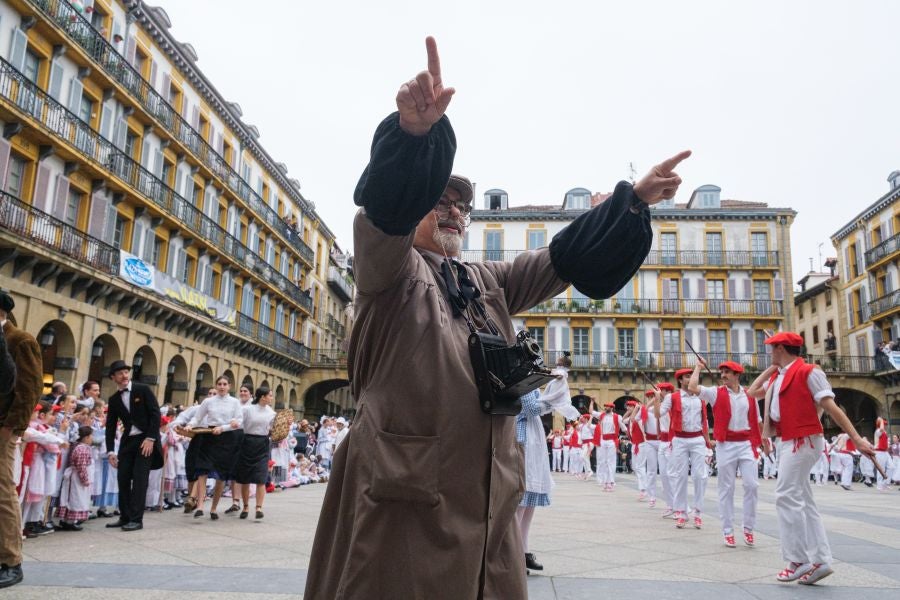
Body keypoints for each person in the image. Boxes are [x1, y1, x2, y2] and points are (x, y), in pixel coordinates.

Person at [303, 36, 688, 600]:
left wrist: (632, 202)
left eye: (462, 205)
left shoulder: (486, 282)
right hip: (405, 497)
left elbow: (559, 260)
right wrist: (414, 137)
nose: (455, 211)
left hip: (487, 498)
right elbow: (382, 217)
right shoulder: (390, 270)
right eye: (441, 201)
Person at [747, 331, 876, 585]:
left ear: (781, 348)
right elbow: (752, 392)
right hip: (788, 440)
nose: (769, 352)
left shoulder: (809, 372)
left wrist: (857, 439)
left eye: (772, 348)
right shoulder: (778, 376)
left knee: (785, 495)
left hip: (802, 440)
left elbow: (831, 408)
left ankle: (798, 560)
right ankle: (821, 560)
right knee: (804, 501)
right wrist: (774, 366)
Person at [689, 359, 761, 548]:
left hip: (746, 443)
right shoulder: (715, 392)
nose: (723, 376)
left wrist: (764, 441)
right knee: (726, 488)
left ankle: (748, 527)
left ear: (737, 375)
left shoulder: (749, 394)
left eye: (727, 372)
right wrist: (698, 367)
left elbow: (757, 420)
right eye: (721, 373)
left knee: (752, 485)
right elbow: (693, 387)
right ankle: (728, 530)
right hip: (726, 444)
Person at [516, 355, 579, 573]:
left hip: (533, 437)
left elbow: (537, 407)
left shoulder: (530, 381)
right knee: (521, 502)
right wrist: (554, 396)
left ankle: (523, 550)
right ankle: (514, 554)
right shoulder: (521, 380)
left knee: (529, 504)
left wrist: (553, 392)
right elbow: (529, 408)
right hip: (523, 438)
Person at [0, 290, 42, 590]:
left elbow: (30, 388)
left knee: (2, 492)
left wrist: (11, 427)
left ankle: (11, 560)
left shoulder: (20, 339)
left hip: (2, 427)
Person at [104, 360, 163, 532]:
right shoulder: (114, 399)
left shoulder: (142, 389)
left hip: (146, 440)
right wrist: (110, 451)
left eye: (126, 372)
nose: (124, 376)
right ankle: (125, 516)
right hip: (128, 442)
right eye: (120, 373)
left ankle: (137, 519)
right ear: (113, 377)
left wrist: (151, 438)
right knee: (122, 478)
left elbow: (155, 414)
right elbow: (110, 426)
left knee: (139, 479)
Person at [654, 368, 710, 529]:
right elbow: (658, 414)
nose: (691, 379)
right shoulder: (672, 397)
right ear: (680, 380)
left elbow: (704, 421)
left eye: (692, 376)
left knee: (699, 476)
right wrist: (657, 398)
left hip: (697, 439)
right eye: (687, 377)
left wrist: (708, 442)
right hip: (679, 439)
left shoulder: (701, 397)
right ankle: (681, 512)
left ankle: (698, 512)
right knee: (681, 476)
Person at [182, 375, 243, 520]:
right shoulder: (208, 401)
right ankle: (200, 506)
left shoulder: (235, 402)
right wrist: (190, 425)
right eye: (219, 384)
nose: (222, 386)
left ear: (229, 386)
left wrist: (225, 427)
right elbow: (197, 417)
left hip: (226, 438)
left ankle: (214, 508)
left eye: (224, 384)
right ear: (216, 386)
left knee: (220, 476)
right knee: (202, 471)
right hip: (209, 436)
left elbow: (239, 420)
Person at [235, 386, 276, 520]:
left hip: (262, 443)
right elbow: (239, 423)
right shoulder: (247, 409)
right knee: (245, 478)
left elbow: (274, 431)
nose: (271, 398)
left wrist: (283, 426)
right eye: (270, 395)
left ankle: (258, 507)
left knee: (261, 478)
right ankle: (246, 506)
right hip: (247, 441)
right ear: (262, 397)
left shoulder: (272, 413)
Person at [55, 425, 94, 531]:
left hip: (76, 476)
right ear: (86, 437)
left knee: (75, 498)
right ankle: (69, 521)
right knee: (74, 498)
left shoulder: (80, 447)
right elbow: (81, 466)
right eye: (91, 436)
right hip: (76, 478)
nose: (92, 438)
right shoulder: (82, 449)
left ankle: (68, 520)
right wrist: (85, 479)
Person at [590, 400, 627, 491]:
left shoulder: (617, 417)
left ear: (611, 408)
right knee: (604, 461)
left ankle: (611, 482)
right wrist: (592, 402)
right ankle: (605, 482)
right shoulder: (602, 415)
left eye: (607, 406)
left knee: (611, 462)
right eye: (605, 406)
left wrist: (630, 437)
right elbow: (591, 411)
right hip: (603, 440)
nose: (605, 407)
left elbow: (624, 428)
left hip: (612, 440)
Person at [873, 417, 891, 491]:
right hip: (879, 452)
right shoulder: (878, 431)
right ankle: (879, 485)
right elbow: (881, 428)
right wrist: (880, 420)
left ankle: (885, 483)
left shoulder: (884, 432)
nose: (885, 425)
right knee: (881, 469)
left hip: (885, 452)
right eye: (884, 424)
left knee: (891, 467)